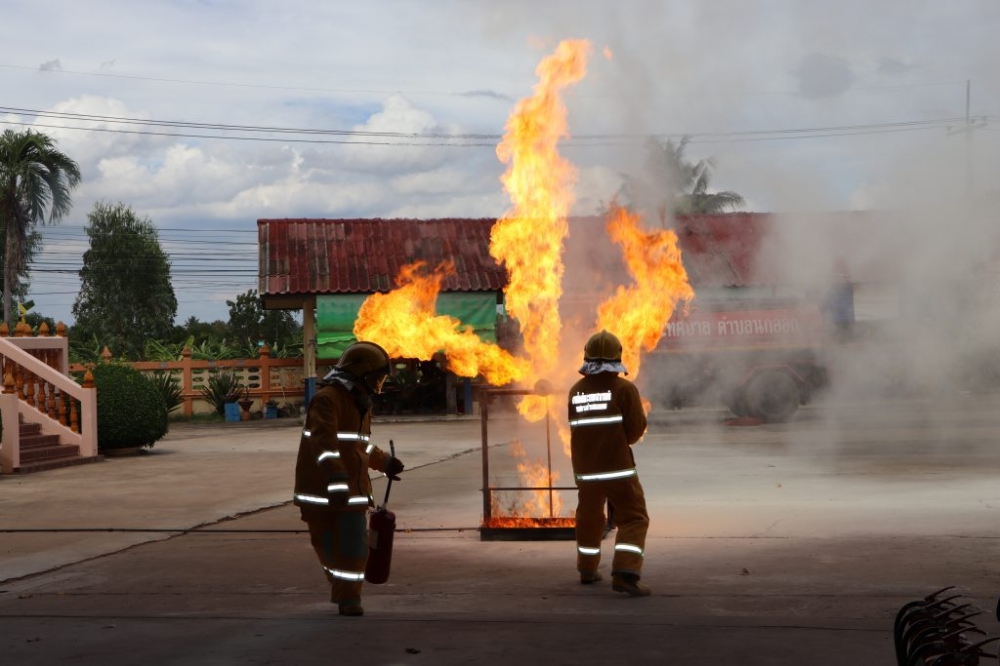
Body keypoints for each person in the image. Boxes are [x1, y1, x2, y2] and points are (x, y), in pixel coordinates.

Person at [293, 340, 405, 617]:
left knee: (354, 548)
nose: (377, 384)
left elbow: (359, 445)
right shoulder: (328, 400)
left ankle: (349, 600)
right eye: (375, 378)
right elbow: (323, 442)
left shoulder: (360, 403)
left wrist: (385, 463)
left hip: (352, 494)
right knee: (329, 550)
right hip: (320, 492)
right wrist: (336, 478)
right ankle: (342, 589)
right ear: (359, 374)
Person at [567, 329, 651, 596]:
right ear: (617, 359)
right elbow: (636, 431)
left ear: (587, 358)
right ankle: (625, 574)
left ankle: (587, 569)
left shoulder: (576, 391)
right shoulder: (624, 389)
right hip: (618, 469)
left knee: (589, 518)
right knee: (634, 518)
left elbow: (575, 428)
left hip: (585, 470)